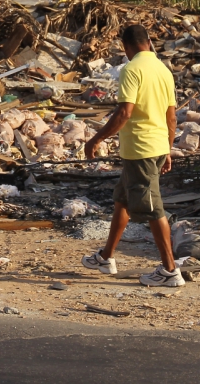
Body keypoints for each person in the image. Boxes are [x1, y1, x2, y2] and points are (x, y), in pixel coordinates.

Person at [81, 24, 182, 287]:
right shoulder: (163, 70)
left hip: (141, 150)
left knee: (153, 208)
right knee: (123, 199)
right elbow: (172, 117)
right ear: (148, 41)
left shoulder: (131, 69)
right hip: (155, 147)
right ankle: (106, 257)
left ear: (126, 48)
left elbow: (124, 112)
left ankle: (170, 271)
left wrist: (96, 138)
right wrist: (167, 148)